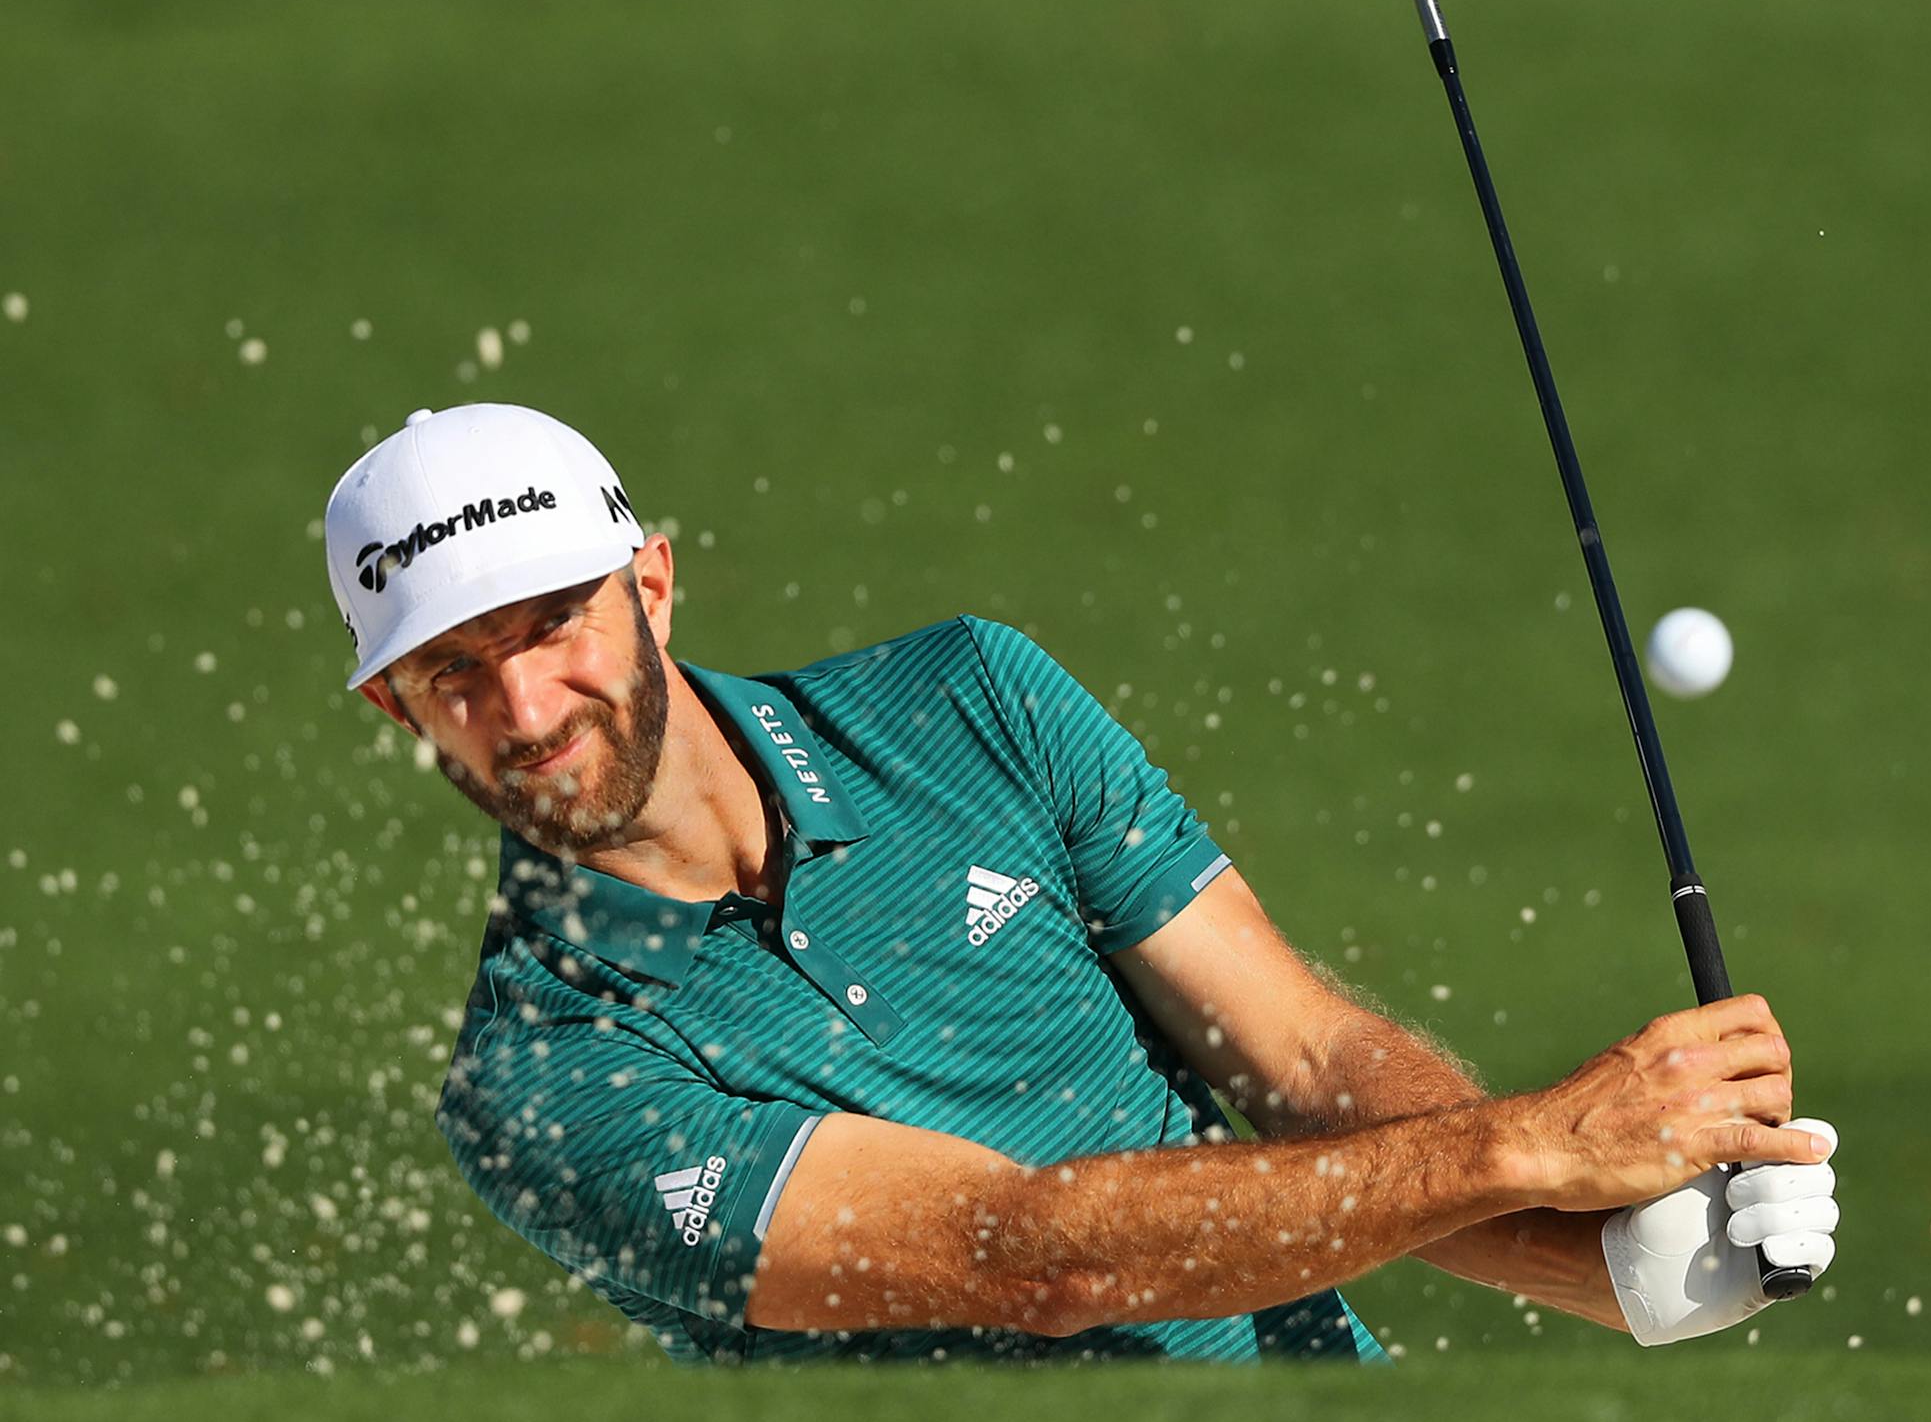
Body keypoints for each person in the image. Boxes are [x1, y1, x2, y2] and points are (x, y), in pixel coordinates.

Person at [324, 402, 1840, 1365]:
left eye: (551, 625)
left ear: (650, 580)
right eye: (452, 670)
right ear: (396, 709)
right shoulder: (540, 1078)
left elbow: (1306, 1062)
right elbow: (1031, 1257)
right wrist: (1532, 1146)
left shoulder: (968, 700)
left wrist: (1611, 1264)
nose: (522, 708)